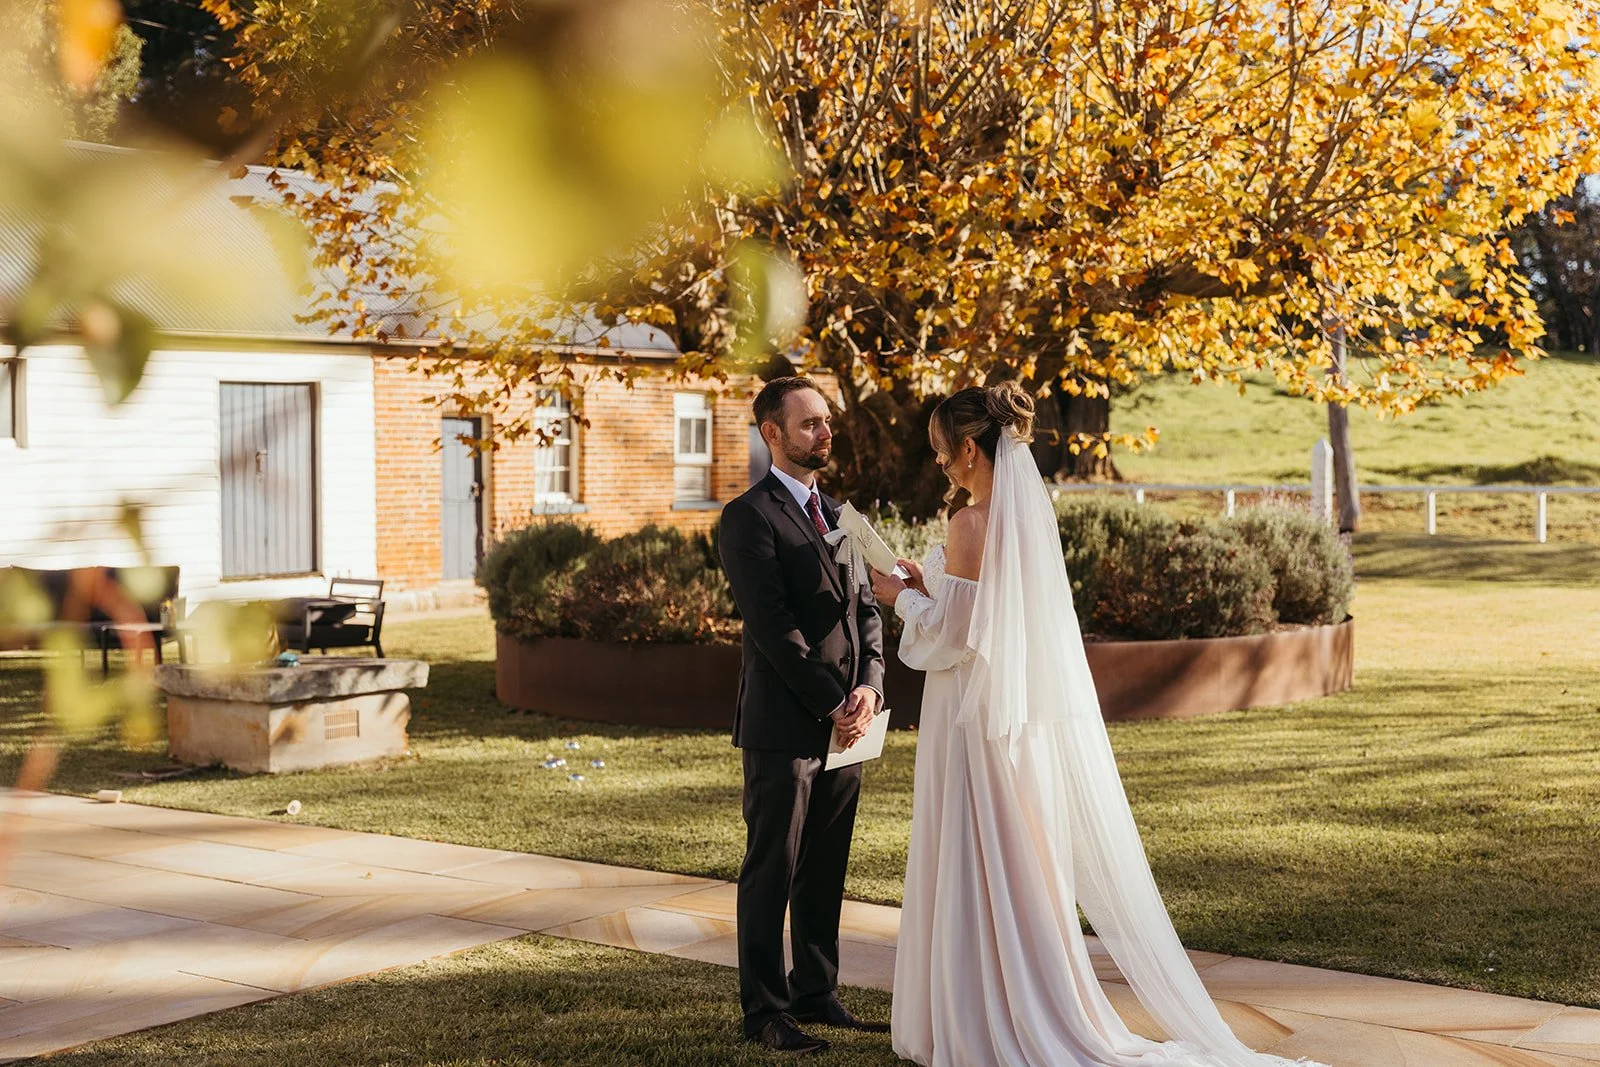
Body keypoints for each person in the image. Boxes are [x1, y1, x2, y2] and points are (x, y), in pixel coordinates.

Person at [870, 383, 1321, 1067]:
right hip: (1013, 725)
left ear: (969, 448)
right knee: (1016, 865)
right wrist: (929, 587)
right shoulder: (1025, 517)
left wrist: (901, 595)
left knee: (976, 854)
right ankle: (1027, 996)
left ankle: (979, 1012)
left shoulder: (970, 521)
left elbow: (955, 637)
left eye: (940, 451)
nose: (938, 464)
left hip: (970, 723)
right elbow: (998, 621)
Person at [719, 375, 890, 1055]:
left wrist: (870, 690)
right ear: (772, 433)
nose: (825, 432)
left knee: (826, 863)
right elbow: (774, 627)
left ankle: (816, 991)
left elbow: (870, 610)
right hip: (786, 724)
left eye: (827, 421)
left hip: (853, 721)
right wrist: (830, 701)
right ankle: (765, 1010)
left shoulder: (843, 513)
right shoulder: (748, 517)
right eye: (811, 423)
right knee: (774, 865)